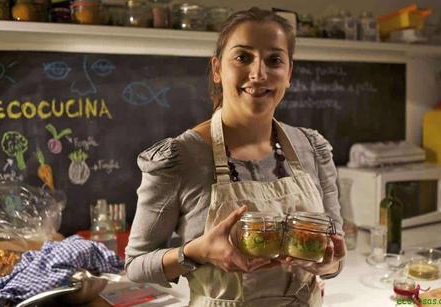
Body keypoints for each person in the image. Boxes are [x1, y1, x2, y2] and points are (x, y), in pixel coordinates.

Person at [125, 7, 346, 307]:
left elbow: (334, 256)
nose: (258, 73)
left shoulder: (313, 150)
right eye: (243, 57)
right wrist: (194, 253)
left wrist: (327, 264)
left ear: (289, 73)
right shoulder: (180, 158)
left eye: (274, 60)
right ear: (217, 69)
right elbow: (136, 266)